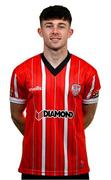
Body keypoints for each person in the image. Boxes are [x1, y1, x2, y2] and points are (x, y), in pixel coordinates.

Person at [10, 5, 101, 180]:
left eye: (61, 26)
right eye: (49, 25)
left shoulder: (88, 72)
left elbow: (87, 116)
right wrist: (36, 132)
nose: (55, 31)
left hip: (75, 167)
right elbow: (16, 115)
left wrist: (66, 132)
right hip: (34, 167)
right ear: (40, 31)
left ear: (70, 32)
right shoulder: (21, 71)